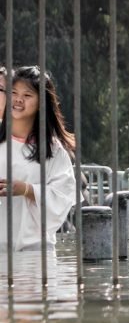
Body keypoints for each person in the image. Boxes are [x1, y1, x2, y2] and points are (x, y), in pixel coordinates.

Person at [0, 66, 77, 250]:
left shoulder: (52, 150)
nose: (18, 99)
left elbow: (63, 196)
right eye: (13, 92)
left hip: (34, 250)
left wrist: (27, 190)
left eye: (27, 95)